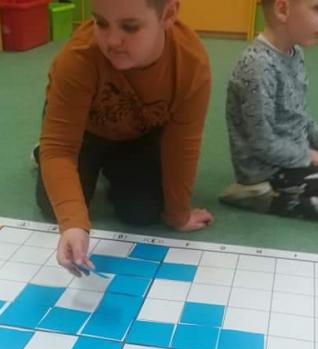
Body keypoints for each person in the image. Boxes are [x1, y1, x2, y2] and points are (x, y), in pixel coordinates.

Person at [36, 0, 213, 277]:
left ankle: (108, 166)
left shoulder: (191, 63)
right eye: (101, 23)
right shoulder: (77, 58)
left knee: (142, 212)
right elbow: (59, 147)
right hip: (85, 131)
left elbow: (182, 144)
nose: (112, 41)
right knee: (53, 205)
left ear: (168, 14)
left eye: (130, 27)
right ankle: (42, 152)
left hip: (137, 134)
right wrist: (73, 224)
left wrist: (179, 214)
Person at [222, 0, 318, 221]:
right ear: (282, 9)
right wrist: (309, 157)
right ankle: (257, 195)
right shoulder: (257, 66)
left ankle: (306, 183)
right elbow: (261, 142)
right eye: (317, 8)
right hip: (268, 170)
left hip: (296, 153)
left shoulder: (294, 54)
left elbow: (299, 115)